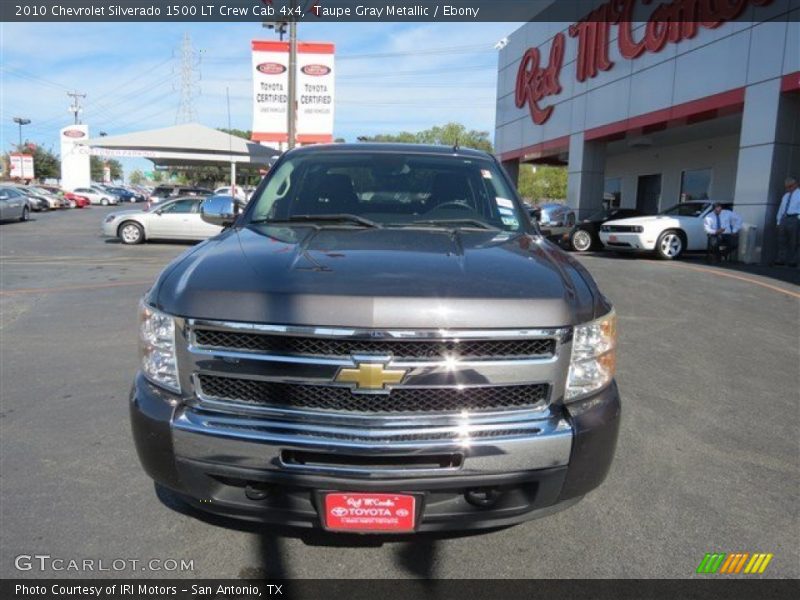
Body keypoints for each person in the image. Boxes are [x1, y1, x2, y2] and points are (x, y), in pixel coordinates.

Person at [773, 176, 800, 267]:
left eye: (790, 186)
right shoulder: (785, 196)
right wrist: (778, 221)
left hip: (794, 218)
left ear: (796, 185)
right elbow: (781, 208)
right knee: (781, 240)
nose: (788, 188)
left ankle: (793, 261)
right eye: (787, 187)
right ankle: (781, 259)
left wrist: (798, 218)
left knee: (794, 241)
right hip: (784, 219)